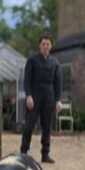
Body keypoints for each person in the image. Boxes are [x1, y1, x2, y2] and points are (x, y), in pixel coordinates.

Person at [20, 35, 62, 163]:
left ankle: (45, 154)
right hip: (34, 96)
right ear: (40, 45)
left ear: (51, 46)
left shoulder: (55, 62)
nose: (45, 46)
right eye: (43, 44)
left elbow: (58, 82)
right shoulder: (32, 60)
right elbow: (27, 79)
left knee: (47, 127)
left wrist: (58, 100)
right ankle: (23, 152)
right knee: (29, 125)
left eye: (48, 44)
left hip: (49, 96)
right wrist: (28, 95)